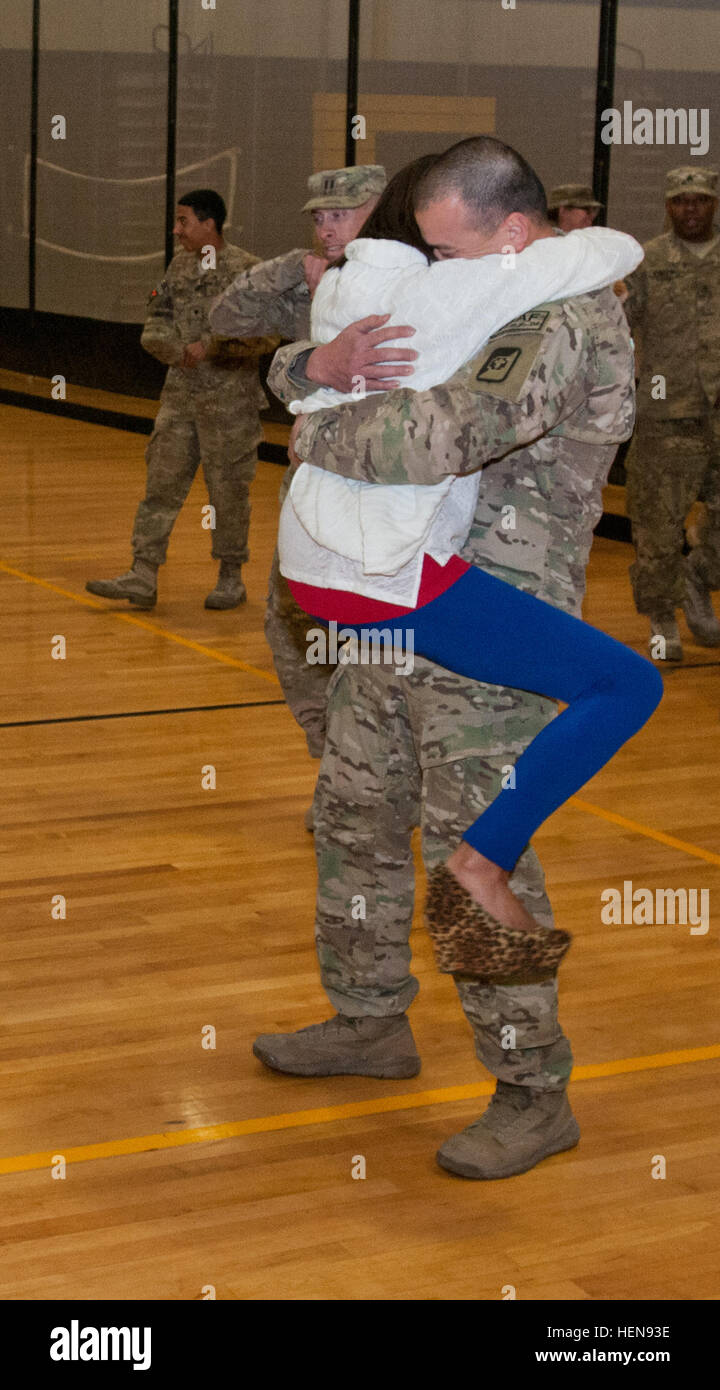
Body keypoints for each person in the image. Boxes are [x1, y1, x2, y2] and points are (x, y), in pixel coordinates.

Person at [254, 137, 652, 1181]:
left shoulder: (563, 316)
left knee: (475, 856)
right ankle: (370, 1019)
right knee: (352, 811)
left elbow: (439, 437)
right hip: (398, 599)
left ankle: (532, 1088)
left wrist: (310, 429)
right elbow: (326, 345)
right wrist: (312, 370)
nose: (432, 265)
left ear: (513, 232)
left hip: (497, 633)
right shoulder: (476, 287)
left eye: (446, 246)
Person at [210, 165, 388, 759]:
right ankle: (333, 758)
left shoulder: (422, 280)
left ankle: (376, 774)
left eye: (342, 213)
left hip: (391, 489)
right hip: (312, 481)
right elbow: (225, 319)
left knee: (380, 640)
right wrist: (291, 271)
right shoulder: (312, 281)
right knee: (293, 624)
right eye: (319, 216)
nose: (327, 227)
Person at [86, 189, 279, 611]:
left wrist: (213, 346)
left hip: (230, 406)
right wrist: (174, 350)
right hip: (180, 401)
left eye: (184, 221)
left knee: (228, 494)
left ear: (209, 224)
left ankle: (230, 577)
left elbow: (268, 335)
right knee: (160, 486)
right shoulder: (179, 267)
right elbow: (156, 320)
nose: (177, 231)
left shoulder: (248, 271)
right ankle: (142, 573)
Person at [623, 165, 720, 661]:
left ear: (713, 204)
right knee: (658, 528)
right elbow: (618, 324)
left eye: (699, 200)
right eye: (681, 201)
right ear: (668, 205)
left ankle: (699, 578)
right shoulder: (648, 261)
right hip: (668, 415)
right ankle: (662, 617)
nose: (690, 209)